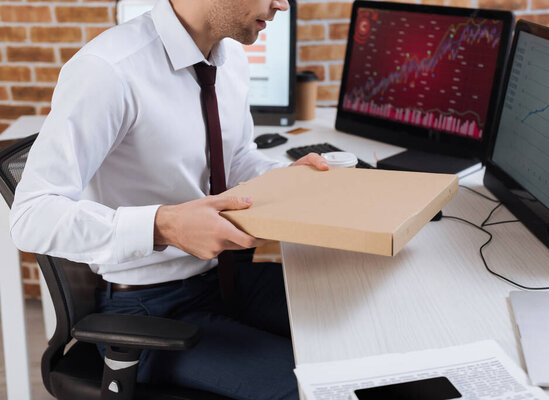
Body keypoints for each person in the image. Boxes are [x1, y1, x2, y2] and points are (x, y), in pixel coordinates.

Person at [9, 0, 328, 398]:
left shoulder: (229, 58)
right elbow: (31, 216)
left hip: (225, 280)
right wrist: (164, 227)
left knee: (362, 328)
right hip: (150, 309)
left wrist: (284, 182)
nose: (282, 3)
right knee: (317, 388)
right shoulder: (108, 70)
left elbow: (237, 155)